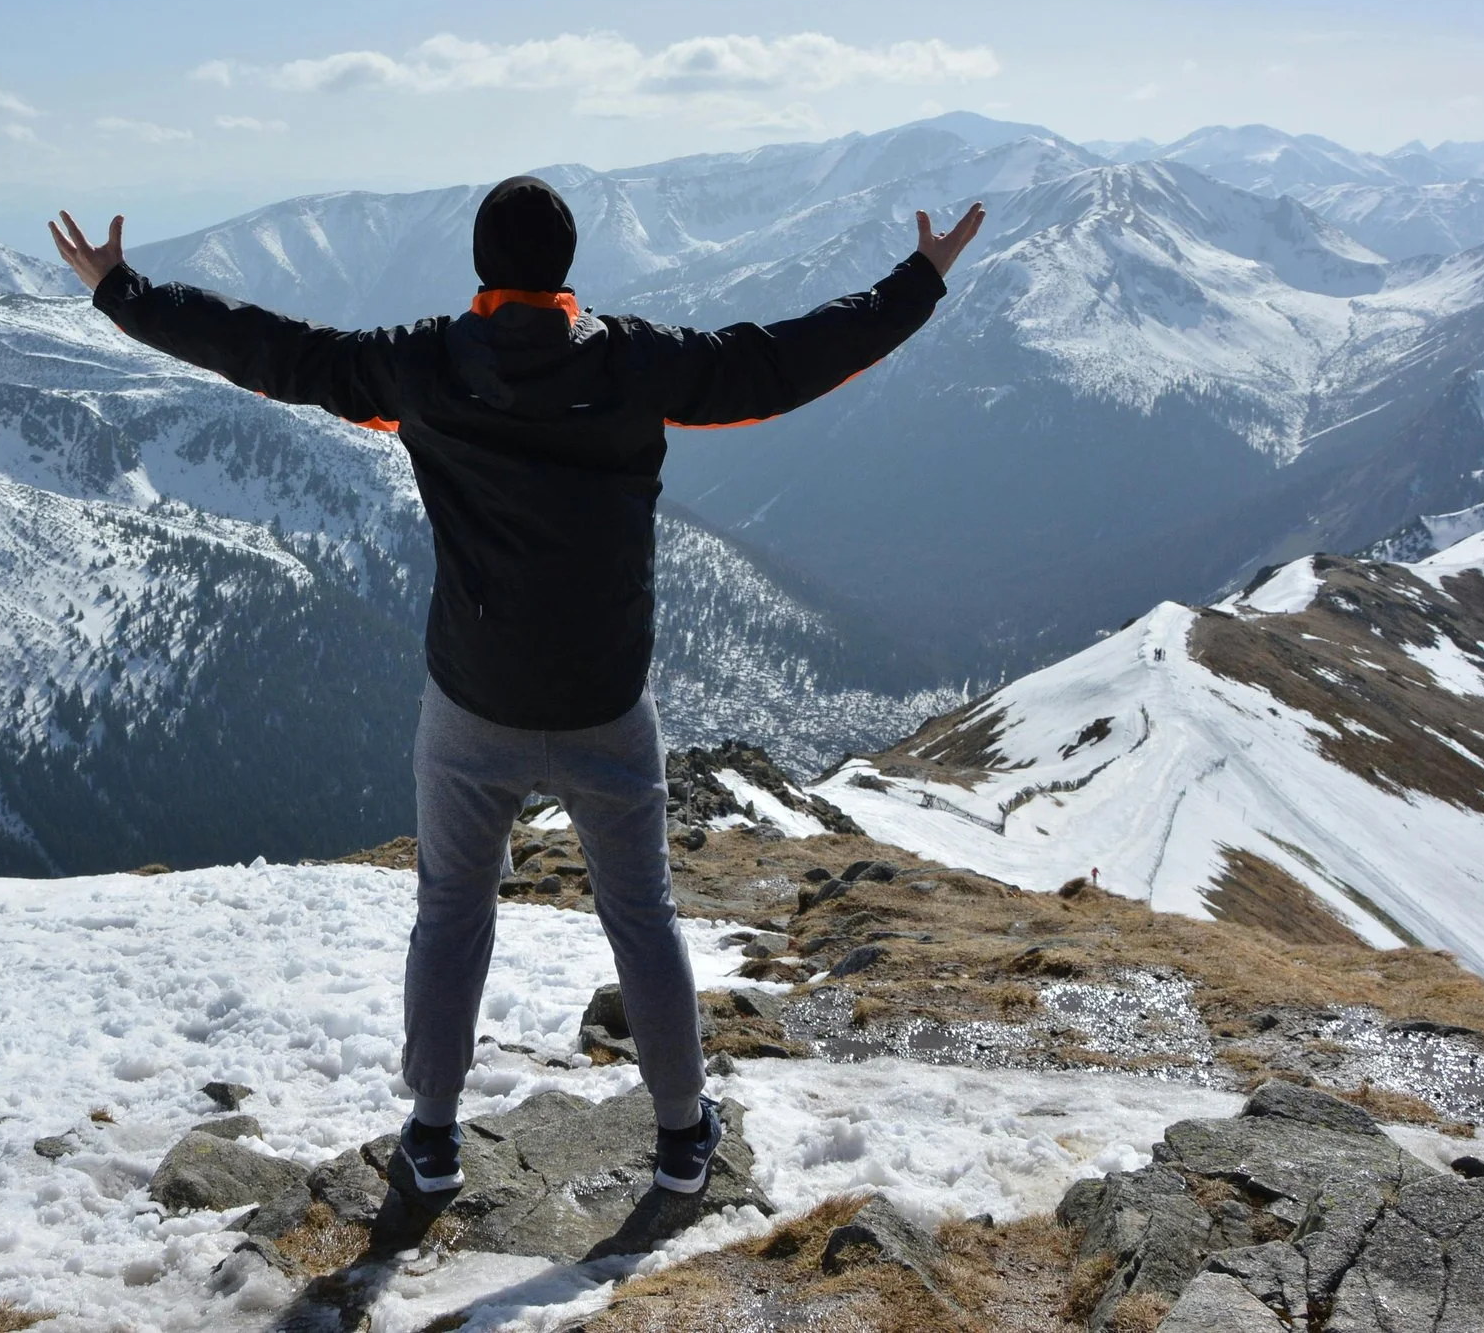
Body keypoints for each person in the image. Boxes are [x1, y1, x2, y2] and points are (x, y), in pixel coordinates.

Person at [50, 178, 983, 1197]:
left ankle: (433, 1134)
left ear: (483, 270)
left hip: (472, 701)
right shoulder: (636, 362)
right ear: (566, 270)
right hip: (605, 701)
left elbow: (275, 350)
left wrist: (123, 291)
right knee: (642, 916)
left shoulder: (421, 364)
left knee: (452, 911)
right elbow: (781, 362)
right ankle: (680, 1138)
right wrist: (918, 280)